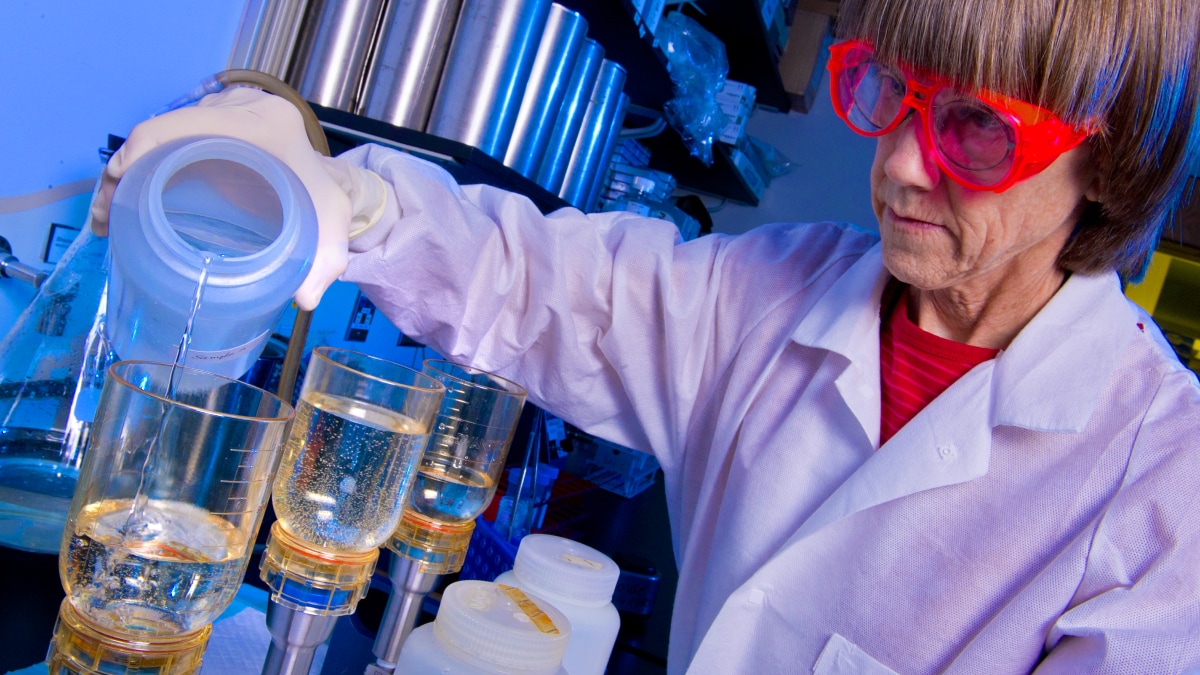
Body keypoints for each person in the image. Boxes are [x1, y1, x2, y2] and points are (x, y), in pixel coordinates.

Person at [91, 0, 1200, 671]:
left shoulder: (1165, 486)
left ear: (1107, 159)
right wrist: (343, 194)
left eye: (975, 132)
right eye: (893, 98)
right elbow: (539, 284)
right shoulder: (774, 296)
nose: (905, 165)